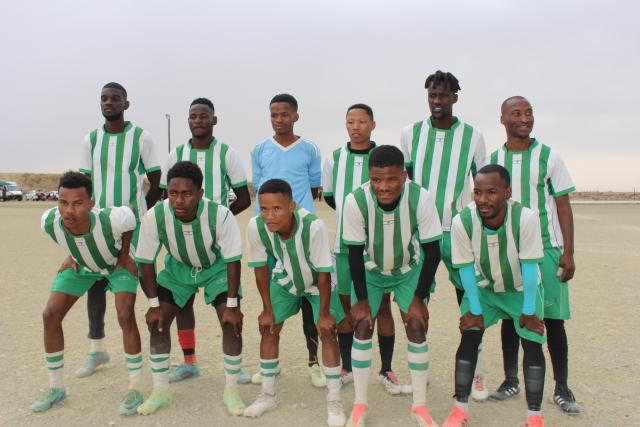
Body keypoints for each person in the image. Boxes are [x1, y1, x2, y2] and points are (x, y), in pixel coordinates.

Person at [488, 96, 580, 414]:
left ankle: (563, 388)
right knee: (511, 318)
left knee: (552, 321)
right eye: (517, 113)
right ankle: (510, 379)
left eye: (529, 113)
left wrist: (568, 251)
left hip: (547, 250)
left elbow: (564, 206)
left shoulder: (549, 156)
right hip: (509, 251)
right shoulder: (494, 159)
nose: (525, 118)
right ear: (503, 119)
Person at [400, 70, 488, 400]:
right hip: (419, 232)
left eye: (443, 96)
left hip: (458, 232)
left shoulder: (473, 136)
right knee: (415, 302)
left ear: (454, 97)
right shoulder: (410, 133)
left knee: (469, 300)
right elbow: (405, 183)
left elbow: (483, 186)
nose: (437, 102)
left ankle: (477, 373)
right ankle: (417, 374)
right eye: (432, 96)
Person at [134, 161, 245, 416]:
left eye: (186, 194)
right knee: (158, 321)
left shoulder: (220, 215)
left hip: (215, 268)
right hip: (178, 269)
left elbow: (232, 261)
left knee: (230, 322)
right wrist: (152, 306)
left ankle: (231, 390)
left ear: (200, 194)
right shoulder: (155, 215)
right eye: (173, 193)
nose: (179, 201)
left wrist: (232, 306)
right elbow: (145, 262)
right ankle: (160, 391)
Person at [342, 145, 442, 427]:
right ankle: (360, 405)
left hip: (408, 269)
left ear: (404, 175)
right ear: (369, 177)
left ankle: (419, 407)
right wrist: (362, 300)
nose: (383, 187)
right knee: (362, 324)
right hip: (370, 269)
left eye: (391, 179)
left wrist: (419, 299)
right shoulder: (356, 201)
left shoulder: (420, 197)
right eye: (376, 180)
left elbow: (433, 251)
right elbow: (353, 252)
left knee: (416, 324)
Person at [442, 164, 547, 427]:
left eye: (491, 192)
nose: (483, 200)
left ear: (507, 192)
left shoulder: (525, 218)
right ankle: (460, 410)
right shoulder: (462, 220)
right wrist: (475, 310)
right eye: (477, 192)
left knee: (533, 343)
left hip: (522, 290)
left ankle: (534, 416)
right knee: (469, 337)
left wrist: (529, 309)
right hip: (484, 290)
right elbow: (465, 267)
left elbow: (530, 266)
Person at [32, 172, 145, 415]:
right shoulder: (49, 221)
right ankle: (56, 387)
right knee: (50, 314)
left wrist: (125, 255)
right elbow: (66, 236)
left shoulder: (111, 218)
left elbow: (132, 220)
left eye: (77, 203)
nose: (68, 210)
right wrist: (73, 254)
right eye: (63, 202)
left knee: (125, 315)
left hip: (116, 264)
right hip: (83, 267)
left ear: (91, 204)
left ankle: (135, 388)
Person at [160, 97, 251, 384]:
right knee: (182, 304)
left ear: (214, 120)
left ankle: (236, 367)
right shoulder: (176, 153)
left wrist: (216, 223)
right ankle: (189, 362)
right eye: (193, 117)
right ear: (188, 120)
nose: (198, 121)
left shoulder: (226, 153)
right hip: (182, 245)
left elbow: (245, 196)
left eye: (203, 116)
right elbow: (166, 197)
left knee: (227, 307)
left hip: (215, 248)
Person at [75, 82, 162, 378]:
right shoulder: (90, 140)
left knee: (141, 283)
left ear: (126, 104)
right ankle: (97, 350)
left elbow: (156, 180)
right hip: (98, 224)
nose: (108, 102)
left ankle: (158, 351)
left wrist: (140, 213)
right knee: (96, 285)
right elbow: (84, 185)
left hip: (133, 227)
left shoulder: (141, 138)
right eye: (104, 98)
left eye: (115, 98)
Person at [244, 178, 346, 426]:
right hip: (286, 276)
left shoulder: (314, 226)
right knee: (268, 328)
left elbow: (323, 272)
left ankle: (334, 402)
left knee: (328, 332)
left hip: (319, 282)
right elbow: (260, 269)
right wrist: (267, 310)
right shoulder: (256, 226)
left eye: (277, 208)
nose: (269, 216)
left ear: (292, 206)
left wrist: (323, 314)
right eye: (264, 208)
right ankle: (268, 395)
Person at [323, 103, 407, 394]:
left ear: (373, 124)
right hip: (345, 247)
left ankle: (386, 369)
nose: (356, 126)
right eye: (350, 121)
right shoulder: (335, 158)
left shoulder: (382, 158)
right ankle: (347, 366)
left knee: (382, 305)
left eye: (362, 121)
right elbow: (332, 198)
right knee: (348, 307)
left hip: (378, 246)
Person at [250, 93, 325, 387]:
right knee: (271, 297)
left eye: (284, 114)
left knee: (310, 297)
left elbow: (315, 186)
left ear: (296, 116)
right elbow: (259, 187)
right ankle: (271, 364)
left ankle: (314, 362)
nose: (279, 120)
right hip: (270, 233)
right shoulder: (259, 150)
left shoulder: (309, 149)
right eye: (273, 115)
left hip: (300, 233)